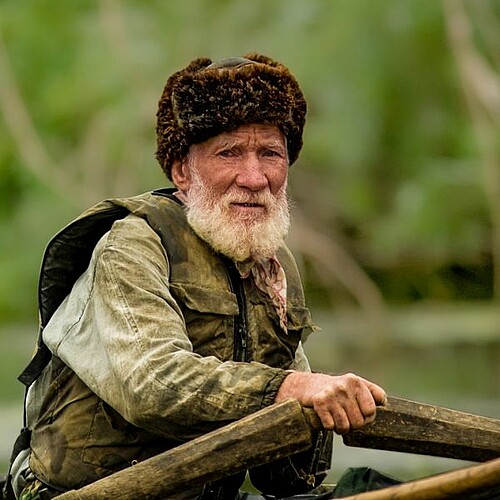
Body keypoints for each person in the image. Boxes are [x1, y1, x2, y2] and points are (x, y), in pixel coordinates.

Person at [6, 54, 388, 500]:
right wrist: (292, 389)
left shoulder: (272, 264)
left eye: (270, 153)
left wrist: (329, 408)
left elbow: (281, 478)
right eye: (229, 153)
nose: (255, 177)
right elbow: (152, 385)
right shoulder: (132, 246)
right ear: (181, 170)